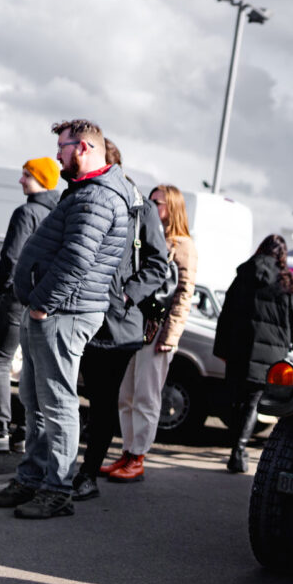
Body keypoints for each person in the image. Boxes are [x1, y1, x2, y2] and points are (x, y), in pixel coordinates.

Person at [0, 119, 134, 519]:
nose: (58, 156)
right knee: (35, 401)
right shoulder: (85, 191)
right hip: (55, 310)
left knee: (57, 404)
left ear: (83, 147)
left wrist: (42, 304)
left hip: (64, 312)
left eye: (62, 148)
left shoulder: (98, 197)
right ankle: (32, 479)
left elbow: (77, 259)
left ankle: (57, 490)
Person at [71, 147, 169, 501]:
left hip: (117, 325)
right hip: (78, 315)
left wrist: (126, 296)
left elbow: (159, 265)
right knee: (71, 396)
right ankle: (60, 469)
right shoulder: (80, 196)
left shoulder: (140, 208)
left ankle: (87, 474)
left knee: (103, 401)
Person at [105, 184, 199, 483]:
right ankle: (128, 451)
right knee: (126, 394)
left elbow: (184, 295)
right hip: (134, 324)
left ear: (172, 207)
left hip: (158, 330)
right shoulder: (148, 234)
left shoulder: (183, 245)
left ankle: (138, 456)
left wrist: (171, 337)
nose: (151, 206)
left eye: (157, 202)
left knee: (146, 395)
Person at [0, 157, 60, 451]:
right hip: (42, 300)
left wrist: (5, 288)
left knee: (0, 362)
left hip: (17, 297)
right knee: (31, 367)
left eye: (26, 175)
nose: (21, 180)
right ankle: (23, 433)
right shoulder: (58, 214)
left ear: (41, 179)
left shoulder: (26, 212)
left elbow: (11, 257)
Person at [213, 234, 293, 474]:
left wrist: (222, 349)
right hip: (270, 353)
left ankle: (236, 446)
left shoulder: (244, 274)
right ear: (282, 255)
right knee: (253, 401)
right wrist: (288, 339)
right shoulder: (288, 282)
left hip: (238, 348)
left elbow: (226, 314)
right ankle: (238, 451)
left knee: (237, 398)